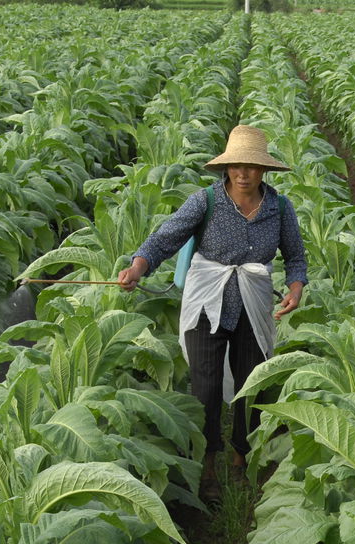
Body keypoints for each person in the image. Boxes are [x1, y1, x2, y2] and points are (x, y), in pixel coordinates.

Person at [118, 125, 307, 502]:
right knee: (204, 390)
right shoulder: (204, 201)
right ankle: (206, 465)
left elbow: (296, 257)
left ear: (263, 171)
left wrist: (295, 289)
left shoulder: (279, 208)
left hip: (254, 304)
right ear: (226, 167)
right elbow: (163, 238)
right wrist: (138, 268)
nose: (242, 174)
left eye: (251, 167)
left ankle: (241, 458)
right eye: (236, 166)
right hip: (207, 302)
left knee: (251, 385)